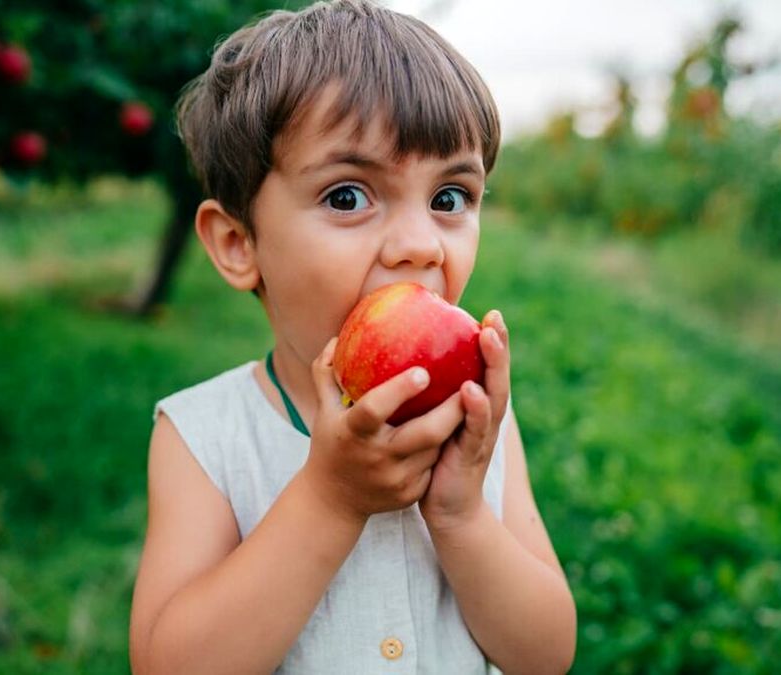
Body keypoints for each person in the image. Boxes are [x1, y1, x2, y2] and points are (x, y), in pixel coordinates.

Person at [129, 1, 576, 672]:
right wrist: (331, 498)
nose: (420, 245)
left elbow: (546, 654)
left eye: (449, 198)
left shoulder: (481, 426)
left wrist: (460, 514)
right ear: (238, 243)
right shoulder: (206, 438)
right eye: (348, 196)